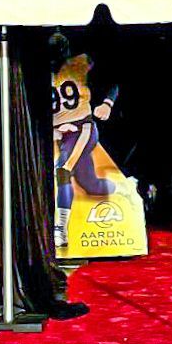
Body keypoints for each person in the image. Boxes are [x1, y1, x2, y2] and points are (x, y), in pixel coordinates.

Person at [53, 52, 120, 248]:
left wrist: (107, 103)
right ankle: (120, 187)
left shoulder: (80, 63)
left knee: (63, 169)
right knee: (89, 184)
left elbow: (112, 82)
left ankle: (61, 229)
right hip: (60, 132)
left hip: (81, 128)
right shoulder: (32, 70)